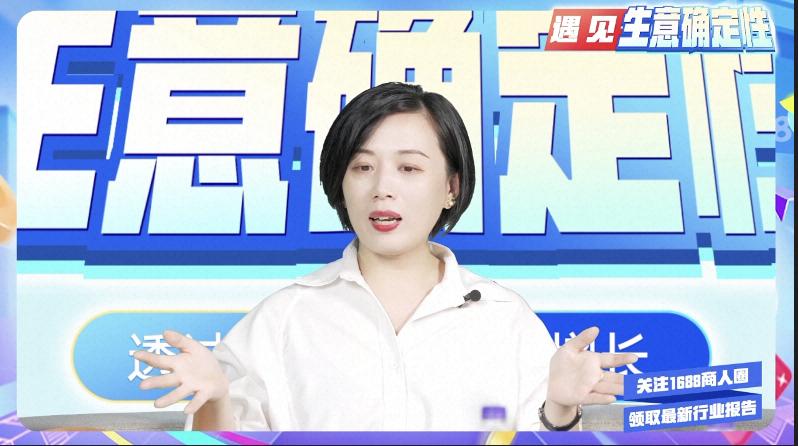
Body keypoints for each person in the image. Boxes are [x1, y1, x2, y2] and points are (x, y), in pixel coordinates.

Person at [134, 82, 636, 431]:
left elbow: (540, 436)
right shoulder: (283, 318)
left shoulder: (505, 318)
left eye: (409, 168)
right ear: (340, 184)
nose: (382, 188)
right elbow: (230, 439)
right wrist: (217, 398)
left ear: (451, 187)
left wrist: (561, 410)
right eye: (362, 167)